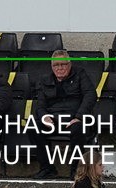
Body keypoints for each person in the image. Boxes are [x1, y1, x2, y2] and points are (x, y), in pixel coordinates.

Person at [29, 49, 97, 180]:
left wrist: (78, 117)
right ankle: (47, 168)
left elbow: (91, 95)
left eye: (63, 64)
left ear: (69, 64)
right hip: (54, 119)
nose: (60, 68)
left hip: (75, 118)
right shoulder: (44, 79)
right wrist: (45, 117)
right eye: (56, 65)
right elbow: (40, 104)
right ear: (51, 66)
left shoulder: (80, 74)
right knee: (33, 127)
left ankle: (76, 170)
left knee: (79, 129)